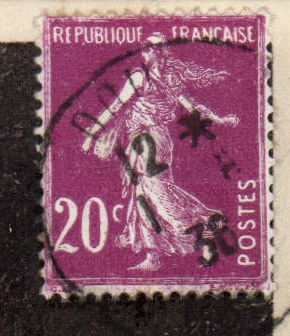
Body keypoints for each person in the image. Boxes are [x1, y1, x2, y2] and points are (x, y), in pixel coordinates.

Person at [90, 34, 240, 270]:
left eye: (149, 50)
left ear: (158, 52)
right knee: (143, 194)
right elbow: (194, 109)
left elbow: (116, 105)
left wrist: (93, 131)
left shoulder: (143, 77)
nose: (145, 54)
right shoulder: (169, 78)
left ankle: (201, 221)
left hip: (149, 140)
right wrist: (220, 119)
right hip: (147, 140)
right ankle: (156, 255)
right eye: (146, 50)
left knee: (153, 191)